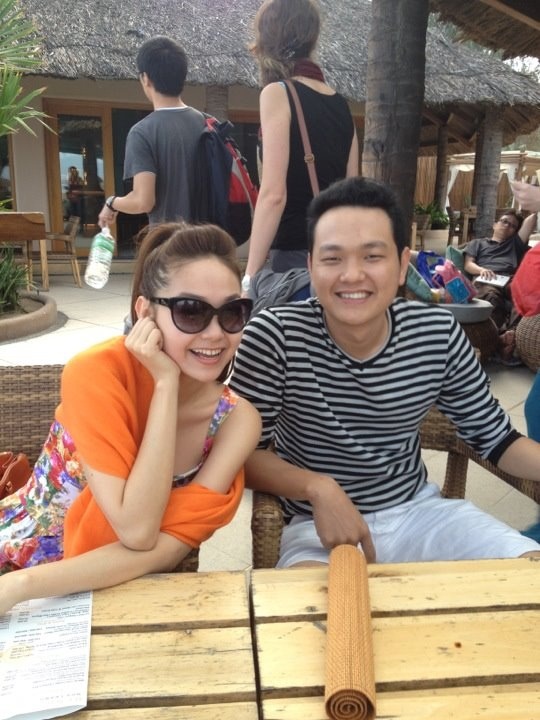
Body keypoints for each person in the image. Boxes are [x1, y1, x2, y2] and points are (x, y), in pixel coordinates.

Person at [230, 176, 540, 567]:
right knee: (313, 606)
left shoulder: (437, 333)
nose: (352, 275)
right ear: (310, 265)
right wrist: (317, 487)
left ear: (401, 265)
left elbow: (497, 439)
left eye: (372, 256)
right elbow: (239, 454)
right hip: (316, 525)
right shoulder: (275, 336)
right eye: (332, 258)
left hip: (419, 514)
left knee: (528, 573)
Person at [0, 223, 261, 613]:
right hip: (17, 552)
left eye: (231, 312)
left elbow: (152, 540)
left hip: (102, 588)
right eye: (191, 311)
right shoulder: (96, 372)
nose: (215, 334)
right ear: (145, 313)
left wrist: (166, 384)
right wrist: (15, 583)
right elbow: (143, 536)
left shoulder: (236, 420)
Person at [241, 0, 358, 294]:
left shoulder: (278, 93)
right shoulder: (341, 104)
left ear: (268, 38)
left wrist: (249, 276)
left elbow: (274, 195)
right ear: (312, 37)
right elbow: (352, 189)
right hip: (335, 255)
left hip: (294, 256)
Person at [98, 36, 206, 228]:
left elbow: (143, 201)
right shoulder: (208, 123)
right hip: (211, 239)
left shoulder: (142, 133)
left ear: (145, 79)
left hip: (170, 242)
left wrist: (112, 203)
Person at [463, 207, 537, 362]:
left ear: (515, 231)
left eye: (512, 225)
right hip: (485, 279)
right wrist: (482, 270)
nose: (507, 226)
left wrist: (535, 206)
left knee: (524, 295)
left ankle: (510, 335)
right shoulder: (478, 243)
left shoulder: (514, 244)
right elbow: (468, 264)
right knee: (491, 296)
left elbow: (531, 221)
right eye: (504, 221)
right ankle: (496, 340)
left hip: (509, 280)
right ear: (495, 224)